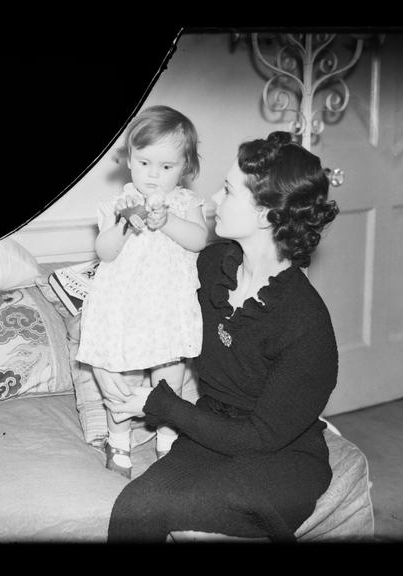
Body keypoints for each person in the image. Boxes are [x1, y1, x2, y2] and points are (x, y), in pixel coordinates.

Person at [101, 131, 340, 542]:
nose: (212, 198)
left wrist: (159, 404)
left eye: (228, 190)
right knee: (133, 510)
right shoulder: (212, 266)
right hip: (210, 430)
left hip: (278, 456)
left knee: (210, 508)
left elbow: (260, 438)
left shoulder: (306, 321)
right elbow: (144, 298)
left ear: (266, 214)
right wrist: (104, 353)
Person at [76, 105, 208, 478]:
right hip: (124, 310)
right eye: (145, 162)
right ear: (129, 161)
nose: (154, 174)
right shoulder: (118, 204)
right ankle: (118, 439)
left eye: (167, 167)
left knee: (170, 379)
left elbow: (198, 241)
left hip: (168, 309)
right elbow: (105, 251)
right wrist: (124, 224)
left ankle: (168, 439)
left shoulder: (186, 203)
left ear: (186, 168)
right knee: (122, 377)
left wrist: (167, 221)